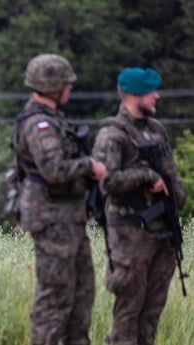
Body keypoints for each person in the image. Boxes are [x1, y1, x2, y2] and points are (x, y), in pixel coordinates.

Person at [13, 53, 107, 345]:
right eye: (66, 83)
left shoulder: (52, 118)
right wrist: (89, 166)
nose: (70, 88)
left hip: (68, 218)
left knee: (81, 294)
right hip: (52, 219)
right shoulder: (39, 124)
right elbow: (53, 169)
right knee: (55, 300)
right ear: (53, 86)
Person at [92, 67, 187, 345]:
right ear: (133, 95)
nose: (157, 96)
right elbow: (106, 181)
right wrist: (146, 176)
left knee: (151, 312)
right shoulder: (112, 134)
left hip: (162, 232)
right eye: (151, 92)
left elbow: (170, 173)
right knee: (128, 313)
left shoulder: (156, 130)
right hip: (130, 234)